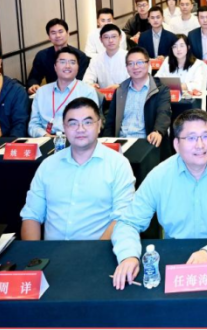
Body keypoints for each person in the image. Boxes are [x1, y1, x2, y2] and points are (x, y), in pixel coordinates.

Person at [111, 110, 207, 290]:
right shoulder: (160, 175)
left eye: (206, 136)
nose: (200, 145)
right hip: (175, 257)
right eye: (191, 138)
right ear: (176, 144)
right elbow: (128, 222)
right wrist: (128, 255)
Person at [20, 98, 135, 241]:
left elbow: (122, 218)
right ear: (64, 127)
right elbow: (31, 216)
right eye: (73, 123)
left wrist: (94, 251)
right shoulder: (48, 165)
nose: (80, 129)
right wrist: (33, 252)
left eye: (87, 122)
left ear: (99, 125)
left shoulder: (118, 164)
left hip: (97, 250)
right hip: (50, 251)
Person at [102, 47, 171, 149]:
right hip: (122, 142)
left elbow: (163, 113)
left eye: (140, 62)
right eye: (130, 63)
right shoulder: (120, 90)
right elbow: (110, 122)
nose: (135, 67)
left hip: (147, 142)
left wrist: (157, 131)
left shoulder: (160, 90)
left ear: (148, 64)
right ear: (126, 67)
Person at [29, 47, 99, 138]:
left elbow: (91, 123)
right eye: (62, 62)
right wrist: (45, 136)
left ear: (78, 67)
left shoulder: (87, 91)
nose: (67, 66)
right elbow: (33, 125)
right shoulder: (41, 92)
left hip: (76, 139)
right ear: (55, 67)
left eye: (72, 62)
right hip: (45, 138)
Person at [26, 18, 91, 94]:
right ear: (49, 37)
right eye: (53, 33)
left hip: (74, 93)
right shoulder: (42, 56)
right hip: (51, 93)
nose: (57, 35)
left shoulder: (80, 56)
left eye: (60, 32)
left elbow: (81, 81)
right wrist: (33, 86)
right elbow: (34, 77)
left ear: (68, 33)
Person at [82, 24, 130, 89]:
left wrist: (120, 87)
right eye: (106, 37)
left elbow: (136, 81)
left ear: (120, 37)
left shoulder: (130, 57)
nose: (110, 40)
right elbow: (86, 81)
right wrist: (91, 85)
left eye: (114, 36)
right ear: (101, 40)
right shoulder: (96, 59)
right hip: (103, 94)